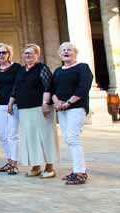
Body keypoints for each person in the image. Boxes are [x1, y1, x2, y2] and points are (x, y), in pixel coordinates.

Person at [8, 44, 59, 178]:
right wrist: (11, 102)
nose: (27, 56)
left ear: (37, 55)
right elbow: (16, 87)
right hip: (24, 108)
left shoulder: (42, 68)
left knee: (45, 137)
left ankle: (49, 166)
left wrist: (45, 103)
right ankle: (35, 166)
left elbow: (48, 86)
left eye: (30, 53)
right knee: (30, 138)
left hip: (40, 107)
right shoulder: (21, 70)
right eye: (25, 53)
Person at [52, 42, 93, 185]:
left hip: (76, 107)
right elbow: (52, 89)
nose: (66, 52)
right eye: (63, 50)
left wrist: (68, 103)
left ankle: (80, 172)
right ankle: (77, 169)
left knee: (73, 137)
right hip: (62, 109)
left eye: (69, 49)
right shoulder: (58, 71)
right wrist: (56, 102)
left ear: (75, 52)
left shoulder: (83, 68)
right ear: (59, 54)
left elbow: (83, 88)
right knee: (68, 139)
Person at [0, 43, 22, 174]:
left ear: (9, 53)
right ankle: (9, 160)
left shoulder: (17, 67)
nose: (2, 55)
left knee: (12, 135)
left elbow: (17, 86)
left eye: (4, 52)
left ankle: (14, 163)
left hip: (13, 104)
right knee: (2, 135)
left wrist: (11, 102)